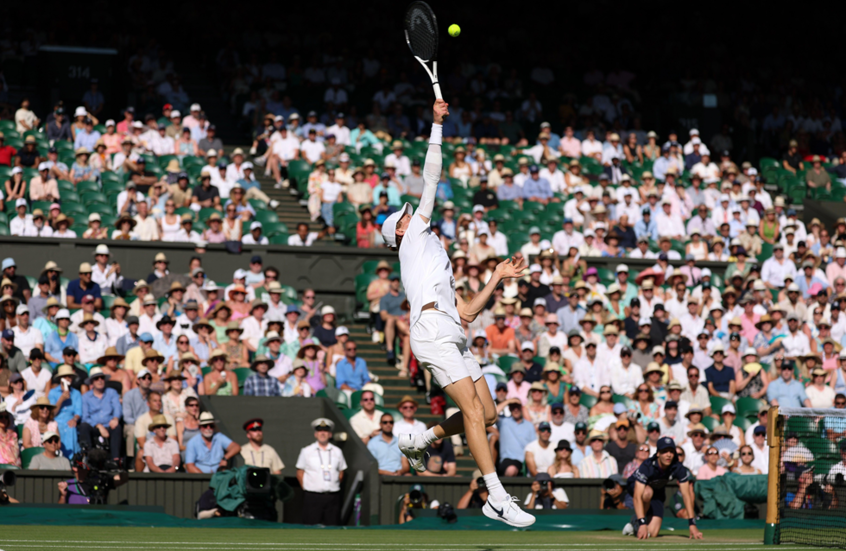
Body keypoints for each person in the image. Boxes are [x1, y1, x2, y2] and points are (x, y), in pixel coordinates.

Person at [623, 436, 701, 539]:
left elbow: (686, 495)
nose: (668, 454)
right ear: (658, 453)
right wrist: (642, 523)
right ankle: (639, 520)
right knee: (647, 493)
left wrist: (692, 524)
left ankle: (634, 524)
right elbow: (637, 496)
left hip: (658, 492)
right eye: (664, 451)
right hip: (637, 487)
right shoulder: (647, 466)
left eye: (671, 451)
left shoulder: (678, 468)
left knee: (652, 533)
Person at [296, 417, 347, 525]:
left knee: (332, 527)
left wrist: (333, 484)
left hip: (332, 496)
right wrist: (307, 488)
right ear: (315, 434)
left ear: (330, 434)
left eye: (325, 431)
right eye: (319, 430)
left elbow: (341, 472)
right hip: (313, 497)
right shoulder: (306, 451)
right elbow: (300, 472)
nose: (322, 433)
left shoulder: (337, 452)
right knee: (311, 527)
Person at [79, 367, 122, 459]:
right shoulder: (86, 397)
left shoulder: (112, 392)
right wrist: (98, 426)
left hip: (110, 424)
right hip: (94, 426)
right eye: (96, 378)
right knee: (83, 426)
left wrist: (116, 418)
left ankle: (116, 460)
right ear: (92, 382)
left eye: (102, 378)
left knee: (117, 428)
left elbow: (117, 407)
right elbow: (85, 417)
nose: (100, 380)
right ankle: (88, 456)